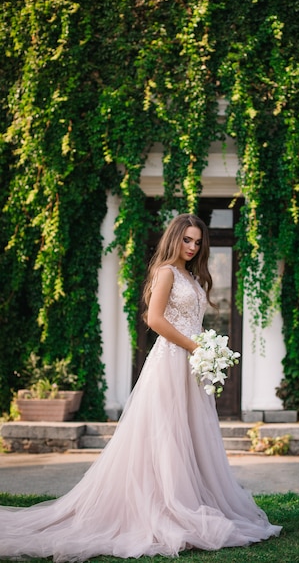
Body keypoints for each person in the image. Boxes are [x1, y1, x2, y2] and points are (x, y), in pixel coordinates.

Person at [0, 213, 281, 561]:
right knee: (164, 433)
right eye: (187, 240)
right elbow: (155, 319)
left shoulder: (191, 276)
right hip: (169, 363)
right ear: (174, 238)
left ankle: (190, 501)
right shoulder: (165, 272)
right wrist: (198, 348)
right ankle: (163, 507)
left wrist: (204, 351)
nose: (192, 247)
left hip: (189, 366)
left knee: (190, 435)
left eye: (197, 241)